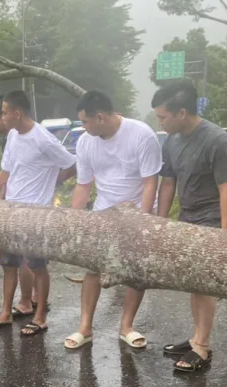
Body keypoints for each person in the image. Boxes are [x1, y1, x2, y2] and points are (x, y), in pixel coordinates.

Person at [0, 90, 77, 337]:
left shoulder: (43, 139)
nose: (2, 118)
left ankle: (40, 317)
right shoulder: (13, 135)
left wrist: (52, 183)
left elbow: (71, 163)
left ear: (17, 113)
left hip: (35, 214)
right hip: (12, 211)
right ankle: (5, 313)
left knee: (37, 266)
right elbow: (6, 172)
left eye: (4, 113)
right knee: (9, 265)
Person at [153, 80, 227, 372]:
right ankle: (195, 338)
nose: (160, 122)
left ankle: (202, 348)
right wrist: (161, 223)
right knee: (193, 282)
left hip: (213, 216)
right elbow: (168, 182)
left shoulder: (216, 140)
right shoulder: (171, 140)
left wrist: (225, 236)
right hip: (189, 215)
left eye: (162, 117)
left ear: (181, 113)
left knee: (203, 283)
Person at [63, 90, 162, 352]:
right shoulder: (86, 142)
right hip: (103, 212)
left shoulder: (142, 135)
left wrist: (143, 220)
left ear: (101, 117)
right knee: (93, 268)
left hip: (136, 212)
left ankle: (126, 326)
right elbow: (83, 185)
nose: (83, 127)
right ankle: (85, 327)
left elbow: (150, 182)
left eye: (85, 121)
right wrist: (74, 219)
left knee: (134, 273)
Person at [0, 95, 38, 317]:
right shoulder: (11, 137)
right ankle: (25, 300)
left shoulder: (34, 136)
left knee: (26, 258)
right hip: (12, 204)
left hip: (30, 208)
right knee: (13, 259)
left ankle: (29, 300)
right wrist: (1, 196)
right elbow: (9, 172)